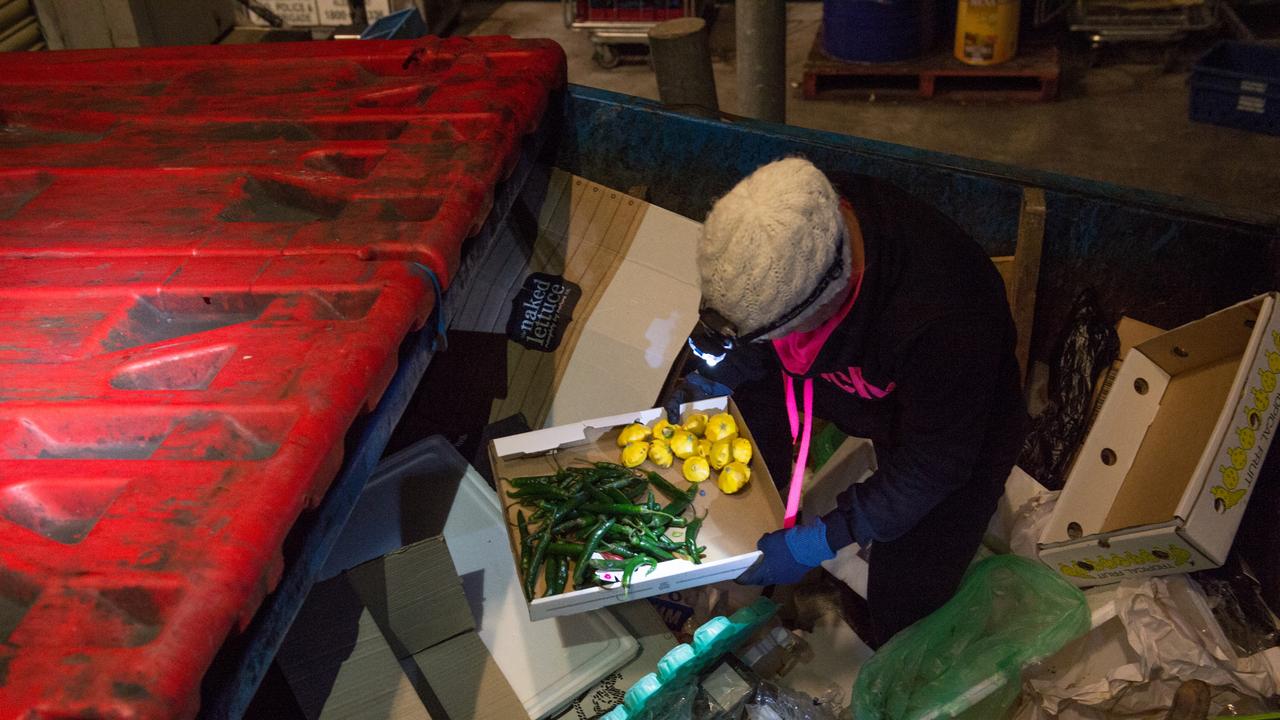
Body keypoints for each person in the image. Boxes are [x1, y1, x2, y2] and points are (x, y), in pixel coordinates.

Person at [670, 157, 1027, 648]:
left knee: (907, 592)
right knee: (749, 391)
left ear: (823, 305)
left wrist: (822, 539)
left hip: (954, 426)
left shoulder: (945, 318)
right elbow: (752, 333)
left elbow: (934, 465)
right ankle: (752, 527)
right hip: (857, 375)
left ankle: (889, 621)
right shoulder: (790, 217)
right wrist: (715, 382)